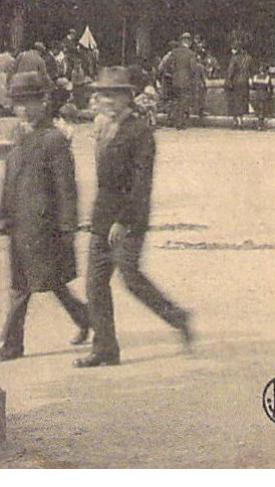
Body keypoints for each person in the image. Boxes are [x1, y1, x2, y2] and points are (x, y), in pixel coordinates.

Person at [77, 67, 193, 368]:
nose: (105, 100)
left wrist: (124, 220)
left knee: (130, 278)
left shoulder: (140, 132)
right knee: (95, 284)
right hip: (103, 217)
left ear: (127, 97)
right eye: (102, 94)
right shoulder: (103, 128)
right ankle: (105, 348)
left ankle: (177, 317)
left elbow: (141, 184)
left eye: (112, 95)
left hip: (129, 218)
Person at [0, 71, 91, 361]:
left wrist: (68, 226)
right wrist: (4, 213)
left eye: (28, 102)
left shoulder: (54, 139)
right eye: (17, 103)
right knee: (41, 283)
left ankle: (12, 344)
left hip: (44, 226)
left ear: (43, 102)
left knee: (29, 285)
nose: (21, 109)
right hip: (21, 223)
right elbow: (10, 178)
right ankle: (86, 319)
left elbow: (66, 187)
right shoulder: (19, 136)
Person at [158, 34, 203, 130]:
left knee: (177, 100)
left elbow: (167, 64)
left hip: (175, 79)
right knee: (184, 101)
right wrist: (193, 78)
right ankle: (181, 122)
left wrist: (173, 73)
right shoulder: (191, 54)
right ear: (188, 42)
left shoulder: (174, 52)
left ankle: (176, 120)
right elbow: (193, 69)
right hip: (186, 80)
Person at [224, 45, 254, 128]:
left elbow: (230, 71)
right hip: (245, 82)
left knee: (235, 101)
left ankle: (235, 121)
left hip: (235, 82)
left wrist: (228, 80)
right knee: (243, 100)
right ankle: (241, 121)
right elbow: (252, 71)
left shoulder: (234, 59)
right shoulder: (249, 58)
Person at [0, 48, 17, 116]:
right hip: (4, 75)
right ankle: (6, 108)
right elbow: (12, 69)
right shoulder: (11, 59)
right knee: (4, 91)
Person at [249, 65, 275, 129]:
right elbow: (270, 87)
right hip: (264, 95)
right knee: (262, 110)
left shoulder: (255, 77)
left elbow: (252, 87)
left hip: (257, 95)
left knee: (259, 109)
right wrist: (270, 94)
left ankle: (259, 124)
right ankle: (261, 125)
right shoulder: (267, 77)